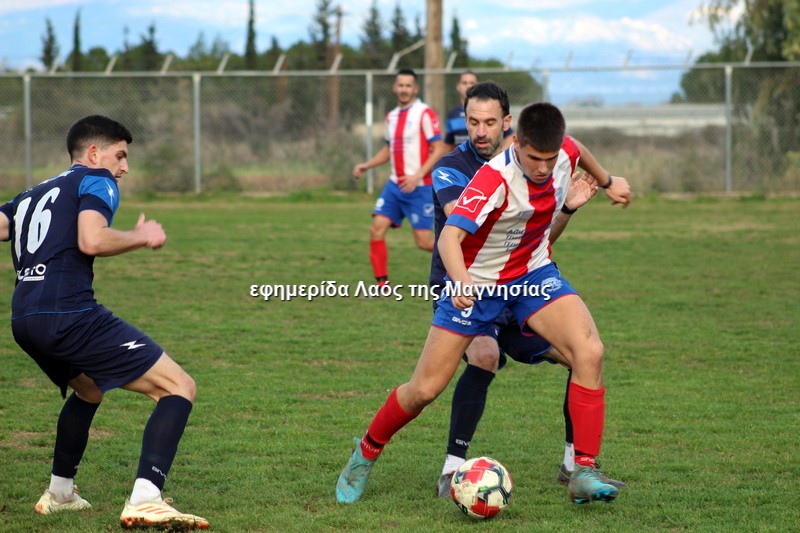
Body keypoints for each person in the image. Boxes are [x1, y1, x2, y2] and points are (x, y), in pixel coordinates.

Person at [336, 101, 632, 506]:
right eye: (534, 158)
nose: (543, 168)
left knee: (590, 351)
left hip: (532, 276)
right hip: (476, 284)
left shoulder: (563, 150)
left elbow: (578, 149)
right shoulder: (493, 179)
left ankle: (583, 470)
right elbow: (448, 238)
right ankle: (366, 451)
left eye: (549, 159)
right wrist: (460, 282)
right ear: (517, 142)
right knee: (424, 390)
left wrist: (608, 180)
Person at [0, 115, 209, 530]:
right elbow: (92, 239)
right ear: (94, 153)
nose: (124, 168)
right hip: (69, 315)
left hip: (24, 319)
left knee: (89, 389)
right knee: (178, 386)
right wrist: (142, 235)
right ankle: (147, 499)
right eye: (120, 155)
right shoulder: (97, 179)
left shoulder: (31, 193)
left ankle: (60, 493)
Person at [431, 82, 627, 497]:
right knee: (483, 356)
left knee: (581, 355)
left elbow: (536, 240)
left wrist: (571, 204)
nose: (480, 131)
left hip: (519, 287)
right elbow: (463, 229)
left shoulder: (537, 161)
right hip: (470, 286)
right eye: (472, 122)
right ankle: (451, 468)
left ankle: (576, 466)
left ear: (508, 124)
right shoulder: (454, 169)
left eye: (489, 122)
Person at [352, 68, 447, 286]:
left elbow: (439, 148)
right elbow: (389, 150)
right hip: (395, 185)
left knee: (423, 242)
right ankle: (382, 284)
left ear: (416, 88)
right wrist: (367, 165)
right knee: (376, 229)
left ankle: (465, 260)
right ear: (395, 88)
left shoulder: (424, 113)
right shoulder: (391, 117)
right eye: (401, 85)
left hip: (420, 187)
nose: (404, 89)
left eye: (408, 86)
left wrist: (417, 175)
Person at [443, 70, 513, 153]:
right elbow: (449, 145)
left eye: (472, 83)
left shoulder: (492, 111)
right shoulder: (452, 115)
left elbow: (509, 137)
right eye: (464, 83)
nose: (468, 86)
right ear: (458, 86)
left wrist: (500, 157)